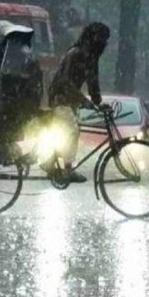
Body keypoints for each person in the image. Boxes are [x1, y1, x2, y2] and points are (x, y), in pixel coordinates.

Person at [44, 22, 110, 183]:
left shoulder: (92, 57)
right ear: (92, 37)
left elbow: (93, 83)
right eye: (101, 38)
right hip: (59, 98)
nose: (103, 42)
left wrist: (98, 102)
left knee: (68, 132)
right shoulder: (75, 54)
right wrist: (83, 100)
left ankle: (50, 162)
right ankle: (68, 169)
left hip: (70, 101)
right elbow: (65, 82)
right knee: (72, 131)